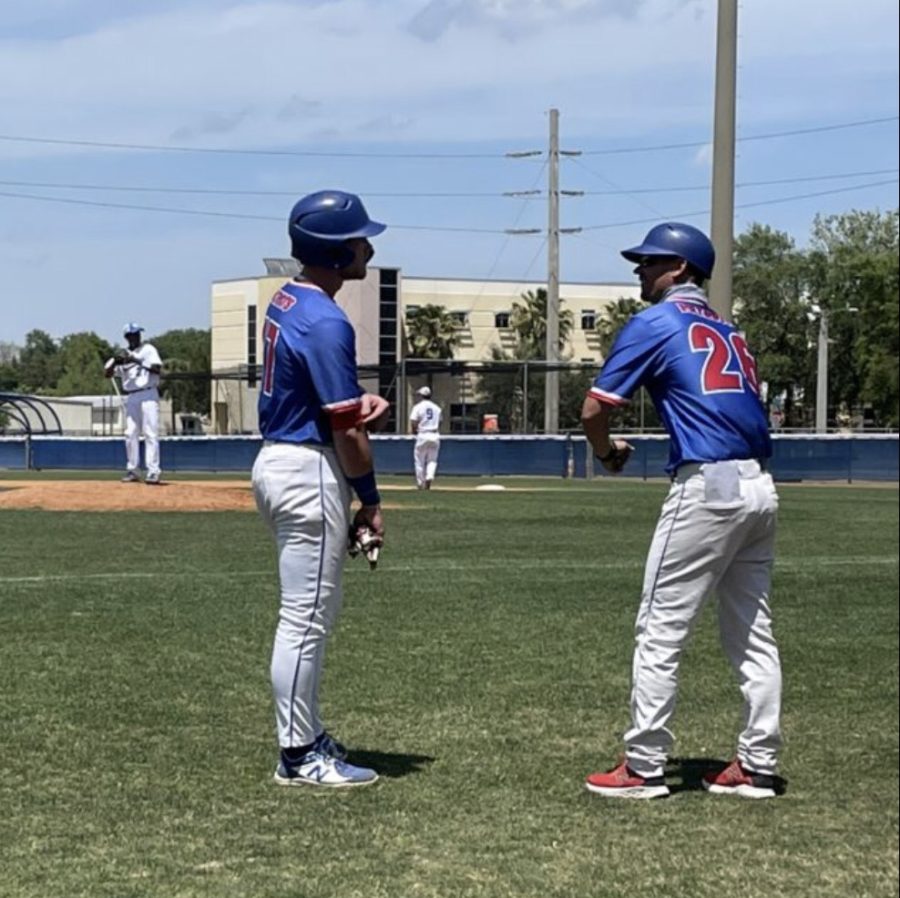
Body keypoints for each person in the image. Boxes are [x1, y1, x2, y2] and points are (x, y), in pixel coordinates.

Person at [580, 222, 782, 800]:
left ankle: (643, 767)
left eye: (652, 261)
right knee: (753, 632)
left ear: (683, 269)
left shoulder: (657, 320)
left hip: (710, 484)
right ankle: (758, 763)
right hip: (760, 487)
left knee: (660, 628)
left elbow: (594, 409)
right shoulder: (730, 327)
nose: (640, 269)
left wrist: (607, 452)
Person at [251, 189, 391, 789]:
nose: (369, 245)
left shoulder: (288, 299)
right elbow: (346, 429)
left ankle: (303, 735)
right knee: (305, 621)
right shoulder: (327, 317)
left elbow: (331, 404)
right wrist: (371, 498)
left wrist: (355, 409)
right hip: (308, 468)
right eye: (360, 238)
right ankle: (299, 754)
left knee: (306, 617)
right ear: (337, 251)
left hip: (283, 458)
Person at [104, 323, 163, 484]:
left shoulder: (148, 350)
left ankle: (153, 471)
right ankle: (133, 470)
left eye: (137, 334)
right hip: (131, 396)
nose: (136, 337)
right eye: (132, 335)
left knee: (150, 432)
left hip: (148, 393)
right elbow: (107, 374)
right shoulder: (123, 354)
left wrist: (135, 360)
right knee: (130, 433)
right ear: (127, 337)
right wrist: (116, 362)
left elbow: (157, 369)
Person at [409, 386, 442, 489]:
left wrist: (414, 431)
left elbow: (413, 421)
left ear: (421, 396)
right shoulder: (437, 408)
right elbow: (440, 421)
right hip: (434, 434)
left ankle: (420, 483)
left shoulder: (418, 407)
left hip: (423, 434)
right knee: (432, 460)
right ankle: (429, 477)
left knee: (419, 460)